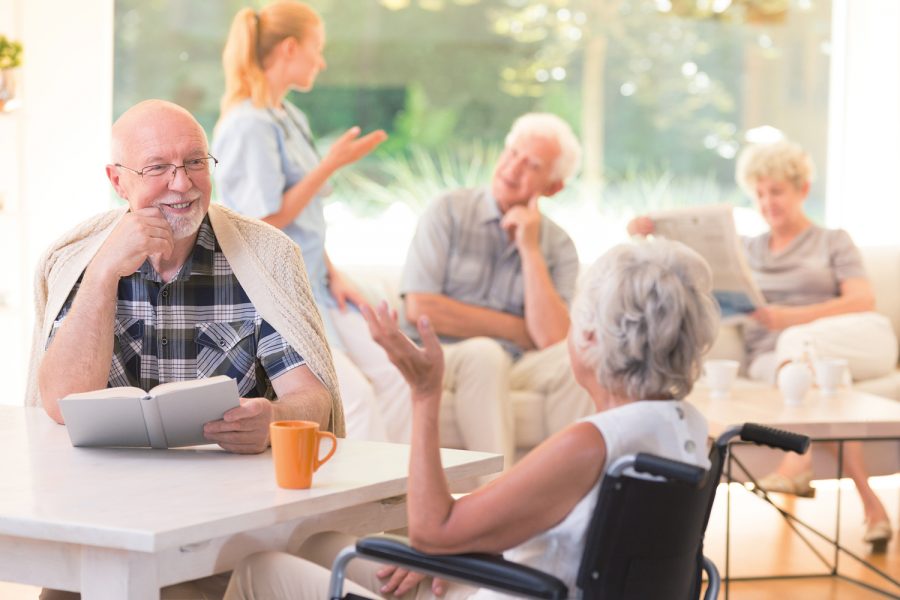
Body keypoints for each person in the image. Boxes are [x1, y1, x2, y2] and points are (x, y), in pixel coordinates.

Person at [221, 238, 721, 599]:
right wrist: (460, 548)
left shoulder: (591, 444)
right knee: (322, 544)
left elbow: (433, 531)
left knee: (259, 570)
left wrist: (424, 394)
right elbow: (575, 534)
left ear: (590, 339)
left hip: (513, 592)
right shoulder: (686, 428)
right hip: (522, 583)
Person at [26, 99, 344, 599]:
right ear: (118, 181)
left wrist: (274, 420)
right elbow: (60, 402)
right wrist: (105, 274)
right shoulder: (78, 260)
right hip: (103, 518)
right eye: (158, 168)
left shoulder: (265, 257)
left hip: (224, 531)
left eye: (195, 162)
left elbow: (314, 399)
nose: (182, 183)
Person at [627, 139, 895, 549]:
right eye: (760, 193)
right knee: (824, 386)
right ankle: (870, 503)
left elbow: (863, 300)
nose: (768, 201)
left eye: (777, 191)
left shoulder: (832, 240)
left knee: (798, 346)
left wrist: (789, 319)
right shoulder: (746, 250)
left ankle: (798, 461)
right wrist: (648, 239)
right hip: (777, 361)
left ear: (802, 189)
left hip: (851, 340)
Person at [212, 1, 404, 443]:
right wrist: (330, 164)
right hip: (281, 291)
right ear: (290, 48)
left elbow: (307, 221)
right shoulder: (248, 125)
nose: (321, 60)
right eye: (318, 48)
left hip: (317, 281)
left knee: (396, 373)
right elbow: (261, 222)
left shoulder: (289, 116)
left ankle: (401, 494)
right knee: (351, 397)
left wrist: (335, 274)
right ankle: (360, 498)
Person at [400, 112, 591, 470]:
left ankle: (570, 498)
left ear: (553, 187)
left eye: (531, 164)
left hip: (514, 362)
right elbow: (421, 309)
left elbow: (551, 338)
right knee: (485, 355)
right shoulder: (449, 211)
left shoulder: (559, 245)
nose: (512, 168)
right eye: (512, 152)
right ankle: (497, 502)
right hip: (443, 356)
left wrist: (530, 249)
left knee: (577, 357)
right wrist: (517, 329)